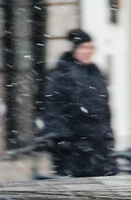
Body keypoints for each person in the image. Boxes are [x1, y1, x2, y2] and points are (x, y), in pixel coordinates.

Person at [36, 29, 114, 177]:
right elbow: (51, 107)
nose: (88, 52)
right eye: (83, 47)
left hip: (98, 140)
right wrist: (62, 138)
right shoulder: (60, 74)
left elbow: (104, 107)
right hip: (73, 142)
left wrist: (108, 136)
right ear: (75, 50)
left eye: (91, 48)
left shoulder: (96, 73)